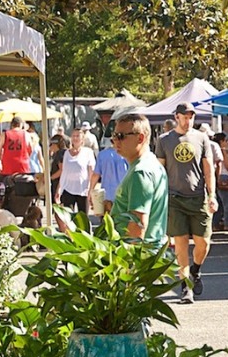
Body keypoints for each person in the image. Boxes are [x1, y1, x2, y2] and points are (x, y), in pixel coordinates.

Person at [156, 103, 217, 304]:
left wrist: (212, 195)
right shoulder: (164, 140)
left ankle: (196, 271)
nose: (188, 120)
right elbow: (159, 172)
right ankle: (185, 288)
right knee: (181, 245)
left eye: (191, 116)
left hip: (198, 197)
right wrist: (159, 199)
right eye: (185, 116)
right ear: (177, 117)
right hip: (174, 199)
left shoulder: (202, 138)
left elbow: (208, 170)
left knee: (203, 243)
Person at [110, 113, 169, 250]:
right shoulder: (150, 163)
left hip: (140, 257)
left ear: (140, 138)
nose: (115, 141)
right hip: (150, 254)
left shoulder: (140, 172)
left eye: (121, 136)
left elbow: (138, 224)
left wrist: (128, 265)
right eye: (114, 136)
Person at [55, 127, 96, 221]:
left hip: (83, 190)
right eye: (73, 136)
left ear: (82, 139)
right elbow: (64, 172)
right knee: (68, 218)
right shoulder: (66, 153)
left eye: (78, 136)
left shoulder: (88, 152)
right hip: (68, 189)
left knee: (83, 218)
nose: (75, 138)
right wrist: (59, 189)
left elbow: (91, 172)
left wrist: (91, 190)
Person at [89, 138, 129, 214]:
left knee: (106, 222)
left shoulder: (102, 154)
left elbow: (96, 175)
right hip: (123, 195)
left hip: (106, 196)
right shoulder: (126, 155)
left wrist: (90, 191)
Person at [0, 116, 32, 182]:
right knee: (23, 186)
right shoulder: (26, 134)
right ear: (20, 124)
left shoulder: (4, 134)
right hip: (22, 164)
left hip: (7, 164)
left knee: (7, 186)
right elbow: (30, 149)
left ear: (12, 125)